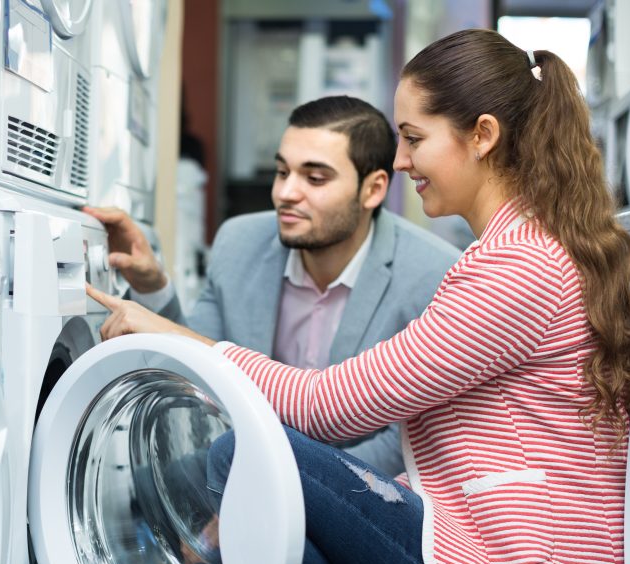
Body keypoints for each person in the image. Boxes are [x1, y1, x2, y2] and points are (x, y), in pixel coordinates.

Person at [87, 28, 630, 564]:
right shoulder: (529, 251)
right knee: (277, 536)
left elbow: (330, 410)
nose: (405, 161)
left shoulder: (517, 268)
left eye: (414, 138)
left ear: (483, 135)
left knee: (239, 461)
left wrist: (174, 338)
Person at [85, 95, 460, 476]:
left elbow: (407, 438)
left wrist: (275, 493)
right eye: (282, 172)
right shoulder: (239, 243)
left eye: (315, 178)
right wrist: (152, 286)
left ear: (373, 189)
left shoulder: (434, 273)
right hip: (238, 472)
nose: (286, 193)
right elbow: (197, 370)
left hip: (362, 499)